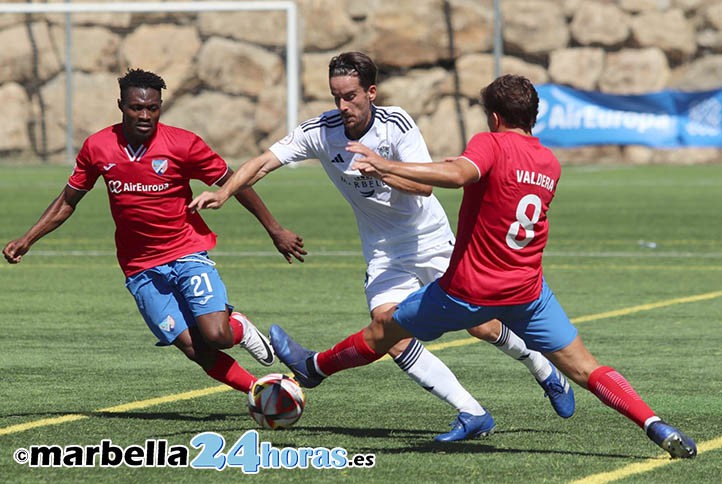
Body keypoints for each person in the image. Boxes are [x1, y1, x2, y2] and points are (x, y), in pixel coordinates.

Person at [267, 73, 697, 458]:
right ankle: (654, 424)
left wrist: (384, 163)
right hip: (529, 292)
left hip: (466, 291)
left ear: (493, 117)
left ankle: (315, 367)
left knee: (384, 329)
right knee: (588, 368)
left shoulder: (488, 143)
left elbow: (457, 176)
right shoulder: (549, 162)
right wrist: (389, 176)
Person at [189, 52, 574, 441]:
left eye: (351, 96)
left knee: (483, 326)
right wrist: (224, 193)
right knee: (389, 331)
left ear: (371, 92)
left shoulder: (396, 125)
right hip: (385, 253)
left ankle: (544, 369)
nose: (343, 106)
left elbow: (424, 187)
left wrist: (383, 170)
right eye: (336, 96)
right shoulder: (321, 131)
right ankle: (471, 412)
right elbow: (263, 162)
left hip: (431, 240)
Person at [2, 69, 308, 397]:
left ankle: (240, 328)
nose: (145, 115)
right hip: (140, 268)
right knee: (194, 348)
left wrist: (275, 230)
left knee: (216, 335)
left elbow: (235, 183)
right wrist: (28, 238)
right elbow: (68, 200)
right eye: (136, 108)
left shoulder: (184, 144)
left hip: (186, 252)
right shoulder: (99, 147)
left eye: (153, 108)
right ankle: (263, 392)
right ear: (121, 105)